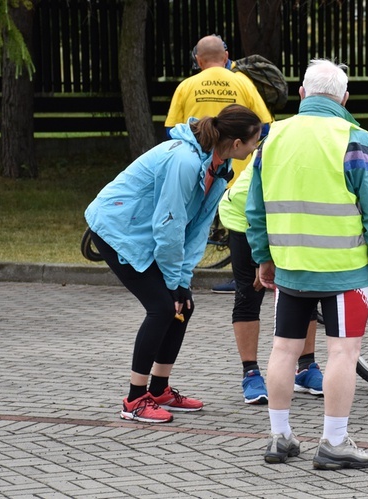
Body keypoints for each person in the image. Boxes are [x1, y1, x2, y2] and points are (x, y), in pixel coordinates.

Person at [246, 59, 368, 469]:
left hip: (291, 266)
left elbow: (254, 208)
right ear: (344, 98)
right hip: (344, 270)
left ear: (301, 94)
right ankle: (333, 442)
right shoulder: (355, 138)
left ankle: (279, 437)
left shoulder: (271, 136)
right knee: (343, 353)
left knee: (282, 350)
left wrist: (263, 256)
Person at [85, 104, 263, 424]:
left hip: (147, 232)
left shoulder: (218, 169)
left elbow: (194, 230)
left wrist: (182, 281)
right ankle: (134, 400)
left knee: (184, 305)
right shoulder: (183, 160)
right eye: (254, 142)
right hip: (116, 229)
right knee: (163, 308)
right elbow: (169, 225)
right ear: (237, 144)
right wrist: (172, 284)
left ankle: (159, 390)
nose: (256, 147)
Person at [164, 34, 274, 294]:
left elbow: (171, 130)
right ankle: (242, 276)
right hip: (236, 169)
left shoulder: (187, 86)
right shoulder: (242, 82)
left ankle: (179, 276)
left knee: (187, 219)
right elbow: (265, 125)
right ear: (225, 57)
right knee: (240, 223)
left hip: (198, 168)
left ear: (198, 61)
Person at [218, 161, 324, 405]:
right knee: (250, 291)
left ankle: (306, 367)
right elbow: (256, 209)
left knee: (303, 287)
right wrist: (261, 256)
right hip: (245, 216)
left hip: (287, 219)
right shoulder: (279, 151)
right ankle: (250, 373)